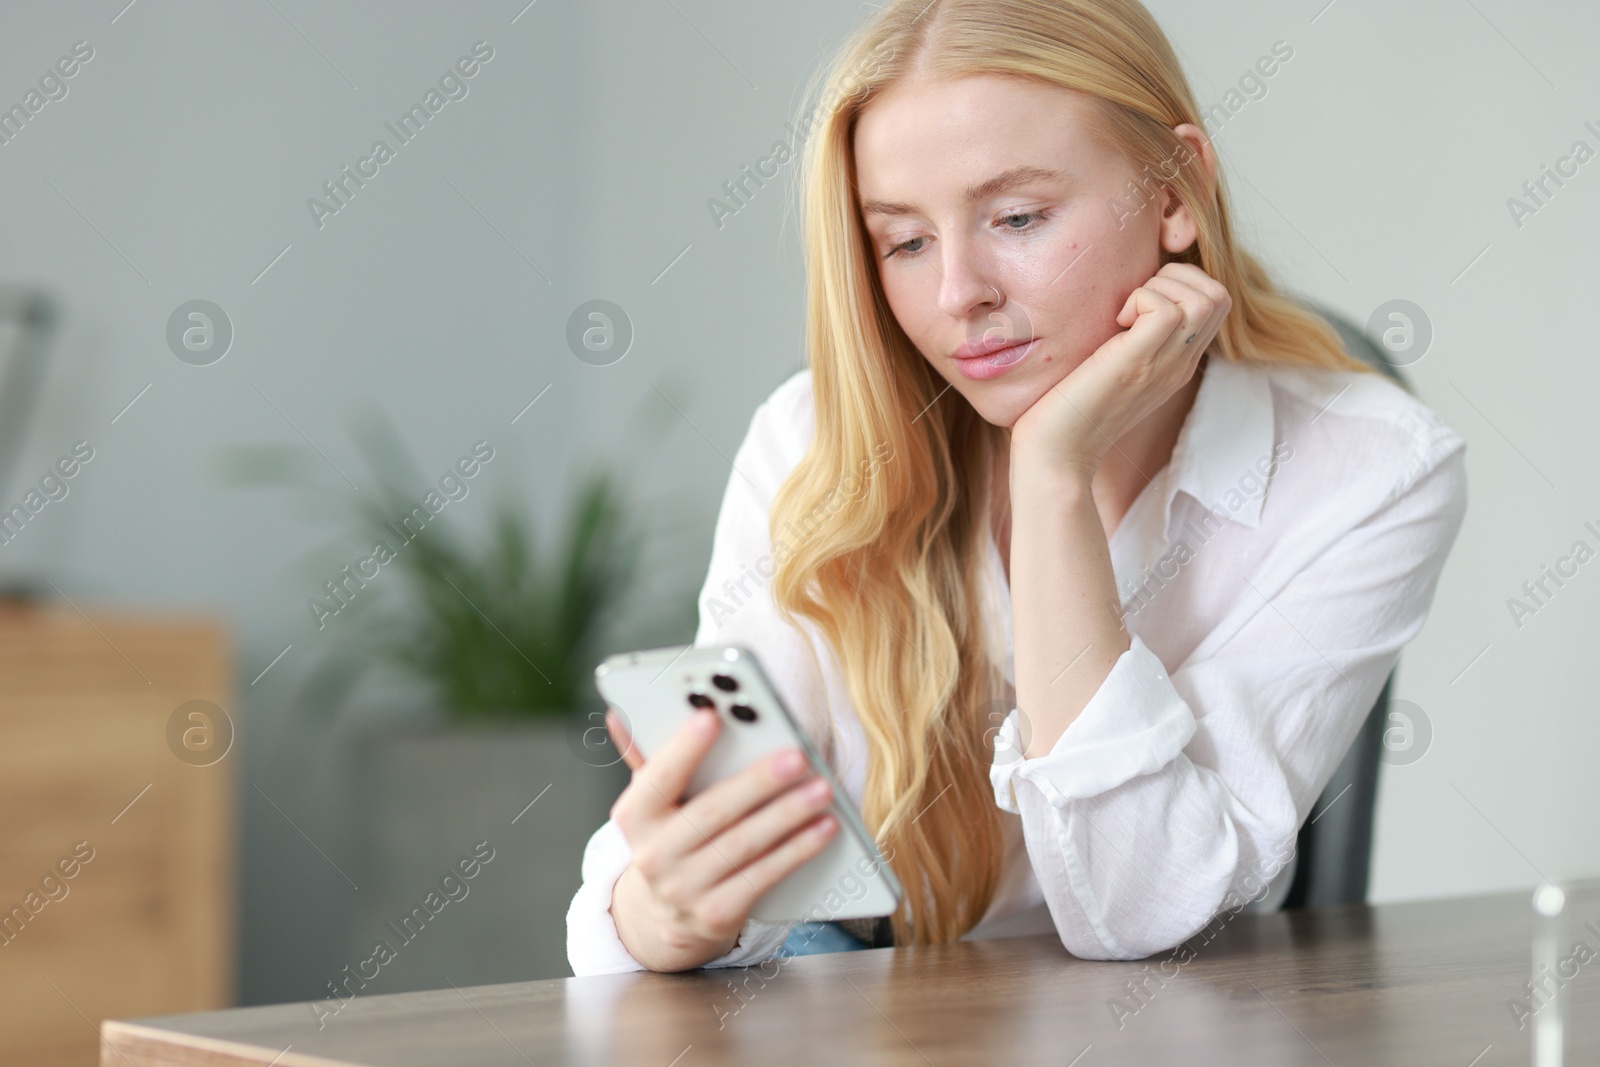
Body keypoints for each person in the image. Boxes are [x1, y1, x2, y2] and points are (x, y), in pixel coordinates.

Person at [567, 0, 1467, 975]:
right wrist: (662, 911)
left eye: (1017, 218)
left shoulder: (1369, 465)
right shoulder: (811, 437)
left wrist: (1051, 479)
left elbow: (1141, 911)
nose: (958, 293)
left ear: (1173, 191)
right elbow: (695, 869)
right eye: (904, 242)